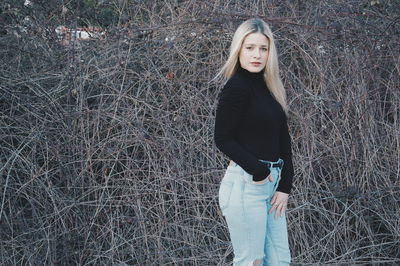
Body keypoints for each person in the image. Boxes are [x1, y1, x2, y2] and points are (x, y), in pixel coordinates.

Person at [213, 18, 294, 266]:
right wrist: (259, 171)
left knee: (280, 261)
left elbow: (283, 139)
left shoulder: (270, 88)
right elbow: (223, 138)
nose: (256, 55)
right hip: (246, 185)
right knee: (252, 262)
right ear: (239, 49)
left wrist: (284, 186)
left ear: (270, 53)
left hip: (272, 187)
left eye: (263, 48)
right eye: (250, 48)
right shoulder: (237, 87)